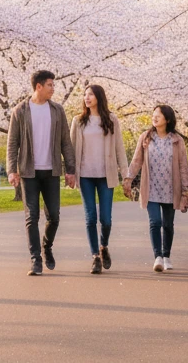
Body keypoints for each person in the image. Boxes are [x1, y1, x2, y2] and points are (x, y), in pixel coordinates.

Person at [7, 69, 77, 276]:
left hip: (51, 171)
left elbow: (66, 141)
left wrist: (70, 169)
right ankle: (35, 259)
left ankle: (47, 246)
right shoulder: (20, 111)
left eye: (53, 85)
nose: (53, 89)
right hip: (29, 172)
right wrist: (12, 170)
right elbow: (12, 144)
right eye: (50, 85)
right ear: (38, 86)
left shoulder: (57, 110)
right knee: (32, 216)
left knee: (54, 216)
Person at [69, 84, 128, 274]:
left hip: (106, 175)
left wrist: (125, 174)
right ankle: (95, 256)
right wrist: (70, 172)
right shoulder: (78, 121)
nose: (87, 98)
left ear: (99, 97)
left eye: (91, 94)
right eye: (85, 95)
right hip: (85, 175)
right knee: (90, 218)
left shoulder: (111, 120)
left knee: (106, 219)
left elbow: (119, 147)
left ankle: (104, 246)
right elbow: (70, 149)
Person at [125, 105, 188, 272]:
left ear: (167, 119)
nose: (154, 118)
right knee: (155, 222)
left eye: (158, 116)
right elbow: (136, 161)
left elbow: (183, 166)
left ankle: (167, 256)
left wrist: (185, 190)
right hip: (151, 188)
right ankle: (158, 257)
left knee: (168, 224)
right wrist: (128, 179)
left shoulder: (177, 140)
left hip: (170, 188)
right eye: (153, 115)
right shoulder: (146, 137)